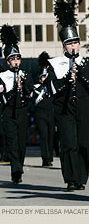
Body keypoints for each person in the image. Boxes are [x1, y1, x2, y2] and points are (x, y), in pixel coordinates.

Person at [45, 0, 89, 191]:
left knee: (83, 144)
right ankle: (70, 178)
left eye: (76, 42)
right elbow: (52, 88)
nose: (74, 46)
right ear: (64, 46)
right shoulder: (55, 64)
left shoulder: (87, 63)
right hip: (64, 108)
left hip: (85, 107)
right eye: (69, 44)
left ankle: (81, 178)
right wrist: (67, 78)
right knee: (69, 143)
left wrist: (80, 74)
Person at [0, 24, 34, 184]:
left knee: (21, 144)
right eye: (12, 59)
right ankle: (16, 170)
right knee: (12, 143)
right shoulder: (2, 76)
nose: (15, 61)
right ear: (7, 61)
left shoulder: (25, 74)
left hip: (22, 111)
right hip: (8, 112)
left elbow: (31, 95)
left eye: (17, 58)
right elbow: (3, 98)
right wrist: (13, 88)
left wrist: (24, 87)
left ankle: (18, 166)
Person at [33, 51, 55, 167]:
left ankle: (50, 157)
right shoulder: (36, 77)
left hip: (51, 109)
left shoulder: (51, 74)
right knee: (44, 135)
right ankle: (45, 158)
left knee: (51, 134)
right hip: (41, 109)